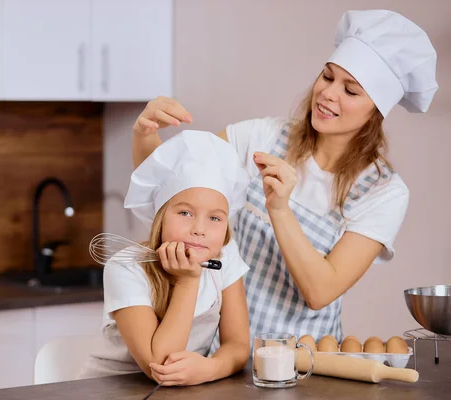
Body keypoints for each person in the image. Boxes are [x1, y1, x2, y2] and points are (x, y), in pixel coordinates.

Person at [130, 9, 439, 345]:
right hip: (213, 353)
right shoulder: (262, 136)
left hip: (300, 367)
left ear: (376, 111)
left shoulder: (382, 191)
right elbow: (169, 190)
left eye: (350, 90)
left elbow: (320, 291)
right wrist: (144, 134)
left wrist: (279, 209)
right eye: (327, 76)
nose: (328, 93)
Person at [78, 130, 252, 386]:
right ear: (160, 217)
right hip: (109, 391)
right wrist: (188, 281)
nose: (199, 229)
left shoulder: (224, 258)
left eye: (215, 218)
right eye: (185, 213)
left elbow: (237, 345)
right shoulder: (126, 268)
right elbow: (159, 366)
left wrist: (210, 368)